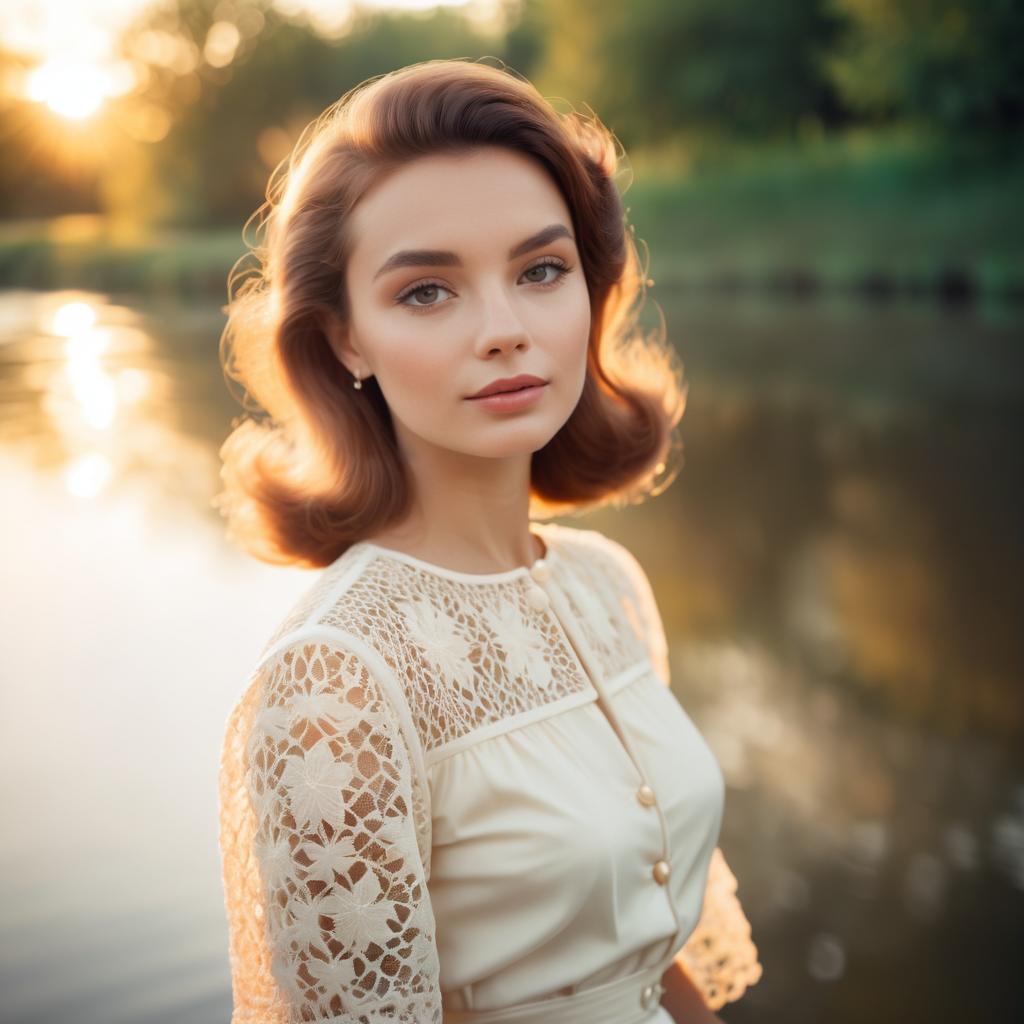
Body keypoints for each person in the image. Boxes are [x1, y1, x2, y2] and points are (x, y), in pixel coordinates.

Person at [215, 58, 762, 1024]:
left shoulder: (608, 585)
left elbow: (653, 954)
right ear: (346, 337)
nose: (507, 330)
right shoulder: (336, 681)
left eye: (541, 270)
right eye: (427, 291)